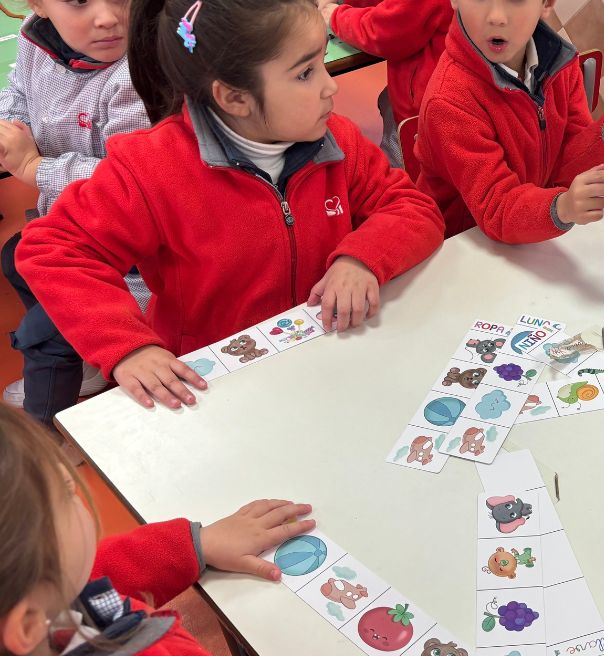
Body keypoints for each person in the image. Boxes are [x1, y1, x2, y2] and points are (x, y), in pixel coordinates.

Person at [0, 403, 489, 656]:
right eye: (65, 493)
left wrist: (194, 544)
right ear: (25, 624)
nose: (76, 492)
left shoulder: (37, 613)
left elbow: (94, 575)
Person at [16, 0, 444, 411]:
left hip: (325, 357)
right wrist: (129, 346)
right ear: (234, 98)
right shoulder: (150, 169)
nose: (331, 85)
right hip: (212, 385)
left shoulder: (337, 139)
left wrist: (362, 259)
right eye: (305, 73)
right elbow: (54, 251)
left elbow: (411, 207)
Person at [0, 0, 151, 433]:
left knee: (42, 337)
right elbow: (19, 92)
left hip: (136, 258)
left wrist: (35, 168)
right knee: (17, 260)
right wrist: (9, 127)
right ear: (38, 5)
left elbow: (134, 183)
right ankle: (84, 353)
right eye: (80, 1)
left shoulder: (139, 73)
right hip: (77, 227)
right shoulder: (36, 36)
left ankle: (49, 445)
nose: (107, 17)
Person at [415, 0, 604, 242]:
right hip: (462, 244)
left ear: (547, 3)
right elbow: (496, 207)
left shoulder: (560, 64)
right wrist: (561, 207)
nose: (497, 16)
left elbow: (568, 165)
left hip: (531, 230)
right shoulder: (448, 101)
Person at [318, 0, 452, 168]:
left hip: (430, 106)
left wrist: (334, 15)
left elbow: (385, 31)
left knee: (403, 171)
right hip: (429, 89)